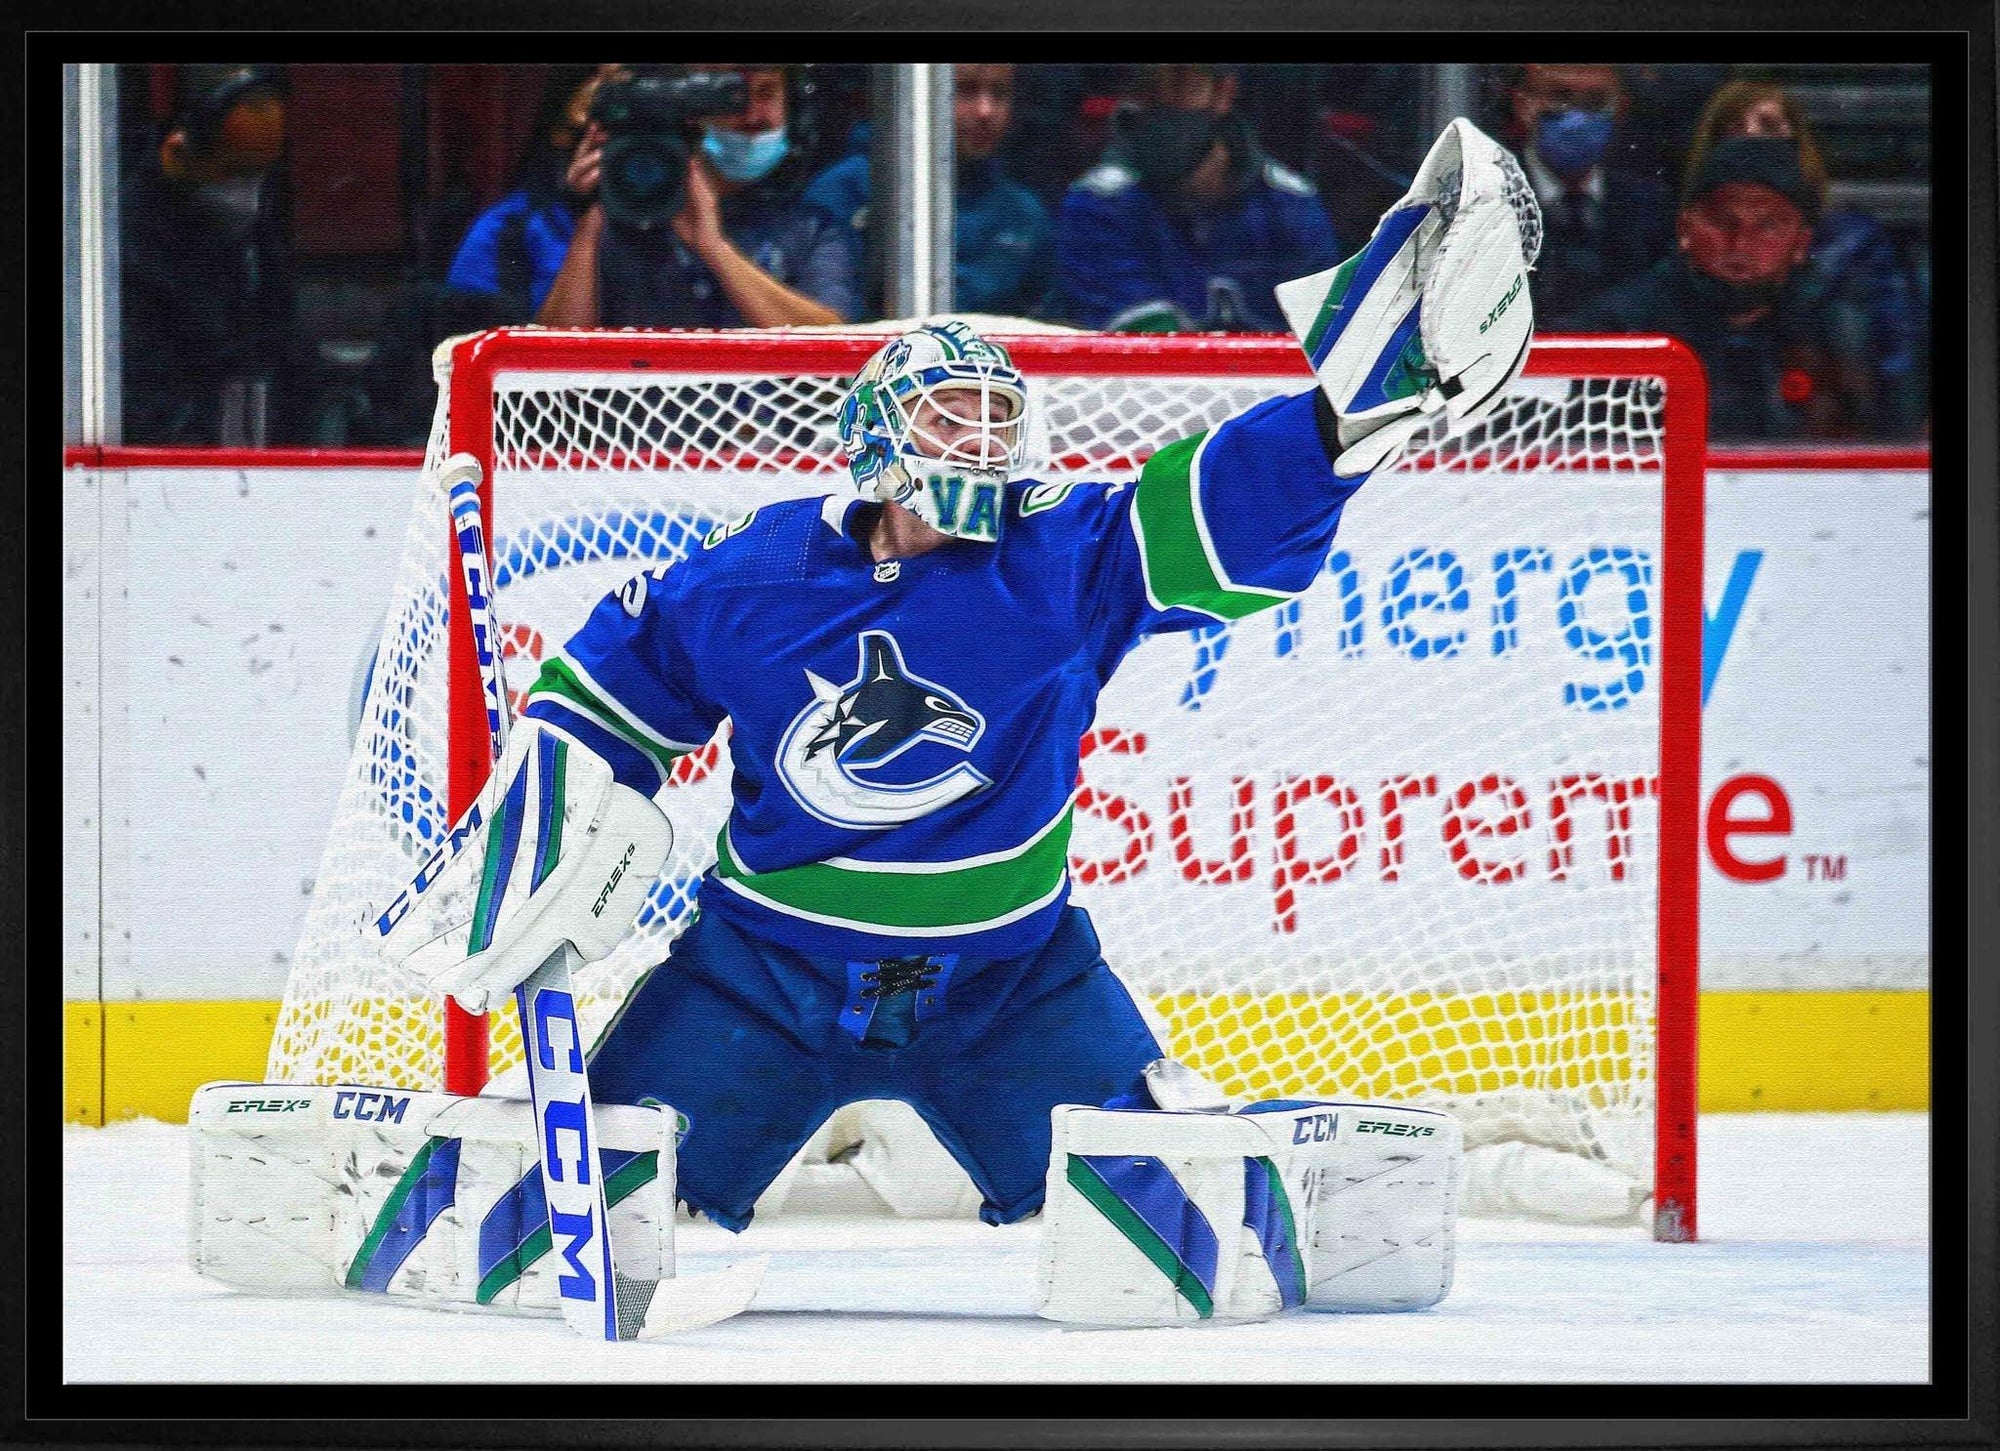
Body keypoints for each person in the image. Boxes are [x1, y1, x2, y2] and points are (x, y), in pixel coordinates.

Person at [399, 120, 1539, 1326]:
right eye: (950, 416)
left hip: (1012, 982)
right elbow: (611, 687)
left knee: (1184, 1259)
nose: (982, 441)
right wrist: (551, 801)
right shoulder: (764, 571)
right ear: (878, 441)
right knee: (541, 1228)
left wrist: (1337, 425)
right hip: (762, 975)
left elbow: (1220, 506)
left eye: (998, 419)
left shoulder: (1064, 558)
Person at [1567, 134, 1918, 441]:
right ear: (1684, 229)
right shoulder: (1617, 327)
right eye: (1722, 222)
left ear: (1801, 243)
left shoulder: (1844, 329)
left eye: (1767, 225)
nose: (1740, 243)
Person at [1677, 77, 1926, 438]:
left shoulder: (1854, 238)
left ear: (1798, 143)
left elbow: (1893, 344)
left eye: (1767, 126)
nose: (1751, 139)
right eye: (1734, 130)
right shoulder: (1691, 235)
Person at [534, 63, 857, 329]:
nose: (752, 116)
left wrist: (714, 246)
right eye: (729, 97)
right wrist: (598, 210)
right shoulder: (600, 224)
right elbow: (547, 368)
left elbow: (833, 352)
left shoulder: (813, 228)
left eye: (766, 92)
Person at [1054, 63, 1342, 332]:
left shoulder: (1292, 203)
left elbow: (1323, 335)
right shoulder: (1097, 204)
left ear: (1223, 93)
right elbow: (1144, 343)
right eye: (1145, 90)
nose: (1161, 104)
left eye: (1179, 85)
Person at [121, 64, 301, 445]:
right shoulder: (125, 240)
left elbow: (286, 345)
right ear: (179, 151)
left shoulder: (254, 237)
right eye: (232, 173)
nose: (247, 194)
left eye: (259, 175)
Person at [802, 63, 1055, 318]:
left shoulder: (1024, 214)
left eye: (999, 93)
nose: (984, 111)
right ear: (919, 93)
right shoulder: (845, 191)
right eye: (963, 90)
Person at [436, 65, 609, 327]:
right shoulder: (507, 229)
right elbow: (539, 362)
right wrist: (589, 221)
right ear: (561, 133)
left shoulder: (692, 212)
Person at [1504, 62, 1676, 317]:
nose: (1576, 117)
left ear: (1620, 109)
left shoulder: (1652, 205)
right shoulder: (1489, 196)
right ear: (1523, 105)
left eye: (1595, 101)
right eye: (1560, 97)